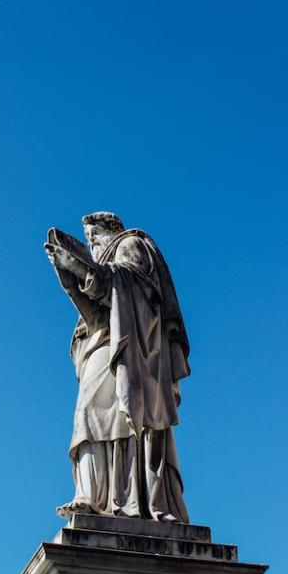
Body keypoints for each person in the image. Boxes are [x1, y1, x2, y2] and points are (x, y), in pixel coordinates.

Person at [44, 212, 190, 522]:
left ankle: (121, 498)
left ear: (111, 229)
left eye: (94, 237)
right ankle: (92, 496)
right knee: (89, 416)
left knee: (114, 415)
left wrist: (79, 266)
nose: (93, 245)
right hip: (102, 343)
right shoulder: (106, 259)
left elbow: (133, 286)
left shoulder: (131, 243)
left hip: (130, 348)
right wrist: (70, 275)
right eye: (88, 242)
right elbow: (95, 305)